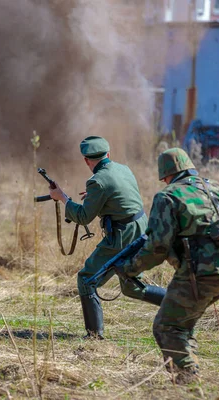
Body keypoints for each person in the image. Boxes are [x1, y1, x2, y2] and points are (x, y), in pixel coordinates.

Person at [117, 147, 219, 383]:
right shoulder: (217, 189)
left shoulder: (167, 196)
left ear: (167, 175)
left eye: (163, 178)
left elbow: (158, 247)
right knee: (182, 323)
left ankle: (189, 384)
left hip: (201, 274)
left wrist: (129, 268)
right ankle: (189, 369)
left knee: (167, 326)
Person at [49, 136, 166, 339]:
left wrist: (62, 198)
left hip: (122, 236)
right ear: (108, 155)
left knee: (86, 279)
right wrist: (96, 197)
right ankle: (180, 302)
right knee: (131, 287)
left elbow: (84, 217)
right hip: (141, 229)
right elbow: (120, 196)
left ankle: (94, 336)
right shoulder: (123, 169)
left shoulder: (97, 181)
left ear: (86, 160)